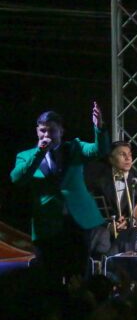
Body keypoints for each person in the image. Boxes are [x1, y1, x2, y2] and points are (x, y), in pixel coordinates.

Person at [10, 103, 109, 279]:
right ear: (37, 131)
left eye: (52, 130)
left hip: (77, 222)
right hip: (47, 225)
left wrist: (99, 129)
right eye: (42, 130)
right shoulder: (26, 156)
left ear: (61, 131)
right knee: (49, 277)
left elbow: (99, 151)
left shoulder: (74, 148)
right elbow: (17, 179)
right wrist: (39, 152)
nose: (46, 135)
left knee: (78, 275)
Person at [89, 141, 137, 236]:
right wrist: (109, 226)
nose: (128, 158)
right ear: (111, 159)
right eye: (122, 154)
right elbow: (93, 212)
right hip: (106, 236)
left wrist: (128, 222)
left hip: (133, 235)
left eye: (129, 155)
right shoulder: (98, 183)